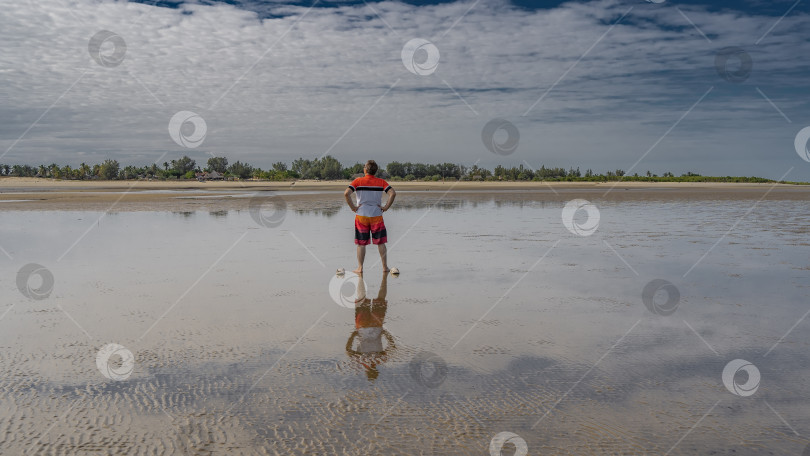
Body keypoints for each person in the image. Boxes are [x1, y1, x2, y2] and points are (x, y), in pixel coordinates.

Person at [344, 160, 396, 274]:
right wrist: (386, 207)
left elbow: (346, 193)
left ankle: (360, 268)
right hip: (376, 214)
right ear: (375, 171)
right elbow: (393, 193)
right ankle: (384, 267)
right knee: (380, 242)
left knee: (361, 243)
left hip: (361, 215)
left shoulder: (358, 181)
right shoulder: (381, 182)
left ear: (365, 170)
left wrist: (353, 207)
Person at [345, 272, 395, 381]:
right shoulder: (364, 360)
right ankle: (362, 275)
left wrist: (386, 334)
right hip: (364, 327)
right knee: (363, 299)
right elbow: (348, 350)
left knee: (372, 299)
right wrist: (353, 336)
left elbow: (392, 347)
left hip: (374, 326)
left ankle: (362, 274)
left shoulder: (377, 360)